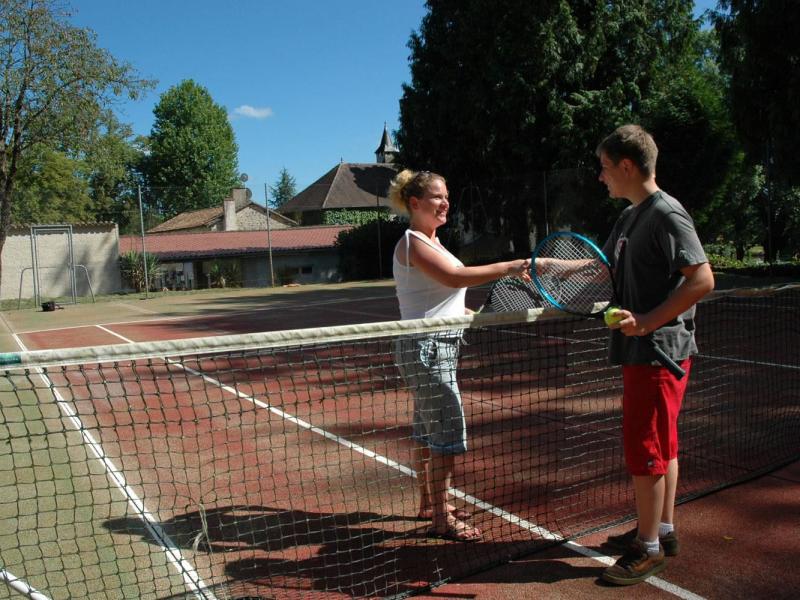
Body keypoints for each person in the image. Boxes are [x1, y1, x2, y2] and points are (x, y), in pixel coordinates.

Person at [593, 125, 714, 585]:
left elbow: (702, 279)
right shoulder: (629, 217)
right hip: (641, 349)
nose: (601, 177)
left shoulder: (666, 213)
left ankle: (647, 549)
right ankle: (661, 530)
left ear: (627, 166)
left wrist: (648, 321)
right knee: (662, 445)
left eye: (605, 167)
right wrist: (540, 267)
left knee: (646, 448)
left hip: (658, 353)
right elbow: (598, 264)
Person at [388, 169, 530, 542]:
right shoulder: (413, 242)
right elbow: (456, 278)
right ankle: (440, 519)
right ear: (415, 204)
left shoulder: (434, 243)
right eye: (437, 197)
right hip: (428, 348)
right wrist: (511, 267)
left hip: (431, 345)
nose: (445, 202)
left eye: (447, 196)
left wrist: (474, 316)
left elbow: (440, 299)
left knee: (427, 431)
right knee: (446, 434)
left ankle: (429, 503)